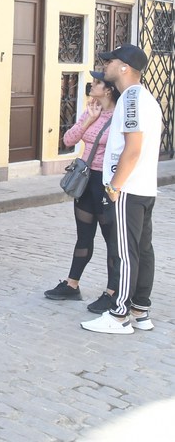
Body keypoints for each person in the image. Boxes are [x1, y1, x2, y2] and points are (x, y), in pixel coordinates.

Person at [82, 45, 162, 335]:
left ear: (125, 67)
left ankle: (119, 316)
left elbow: (133, 147)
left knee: (125, 253)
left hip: (128, 187)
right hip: (143, 186)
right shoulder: (147, 99)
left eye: (112, 60)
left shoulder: (131, 98)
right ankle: (140, 311)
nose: (107, 64)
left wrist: (114, 186)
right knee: (142, 249)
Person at [44, 73, 119, 306]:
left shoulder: (120, 116)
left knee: (112, 240)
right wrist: (89, 120)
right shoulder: (91, 110)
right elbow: (68, 139)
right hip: (86, 180)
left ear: (108, 90)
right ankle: (72, 284)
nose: (92, 85)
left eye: (97, 82)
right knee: (84, 236)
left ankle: (113, 292)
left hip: (106, 182)